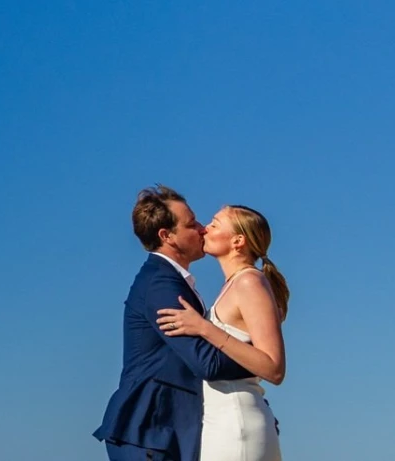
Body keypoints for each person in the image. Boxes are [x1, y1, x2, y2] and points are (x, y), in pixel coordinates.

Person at [94, 186, 256, 460]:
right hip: (150, 430)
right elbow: (206, 362)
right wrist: (262, 360)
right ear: (167, 236)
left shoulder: (172, 281)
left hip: (167, 431)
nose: (203, 229)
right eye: (192, 224)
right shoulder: (160, 284)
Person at [156, 205, 289, 461]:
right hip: (223, 420)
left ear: (238, 241)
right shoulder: (233, 285)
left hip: (236, 423)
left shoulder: (249, 282)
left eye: (215, 224)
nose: (204, 228)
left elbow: (274, 367)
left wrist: (203, 327)